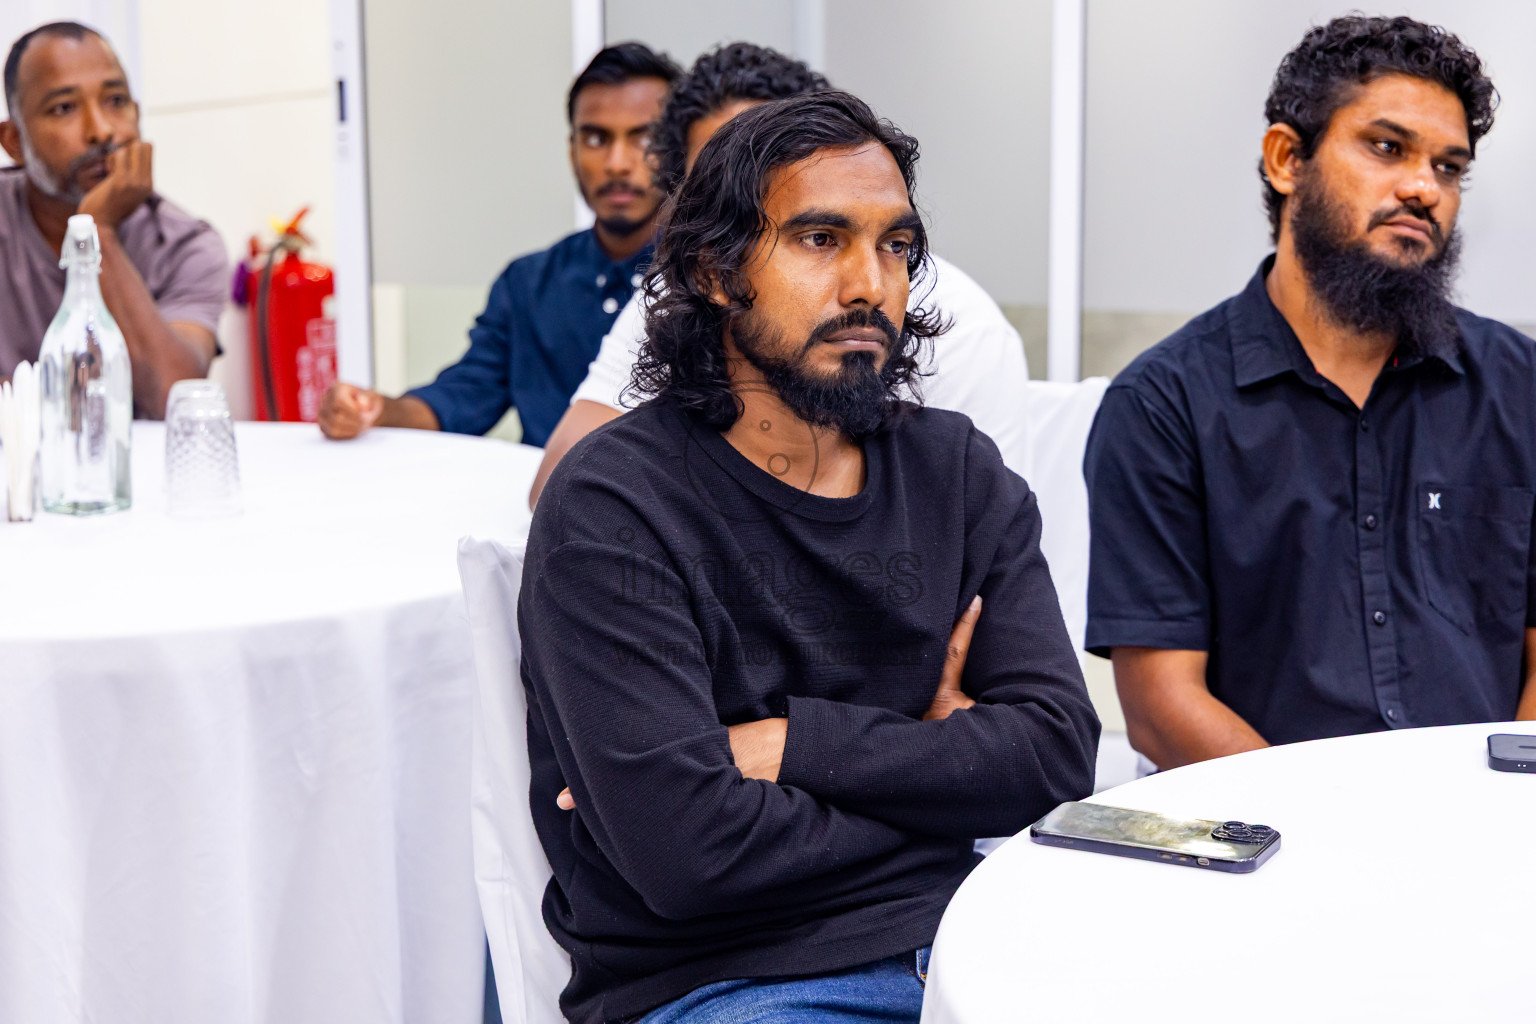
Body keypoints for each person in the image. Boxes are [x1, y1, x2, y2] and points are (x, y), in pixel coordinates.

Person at [521, 91, 1099, 1024]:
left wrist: (790, 746)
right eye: (821, 239)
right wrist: (939, 760)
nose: (872, 283)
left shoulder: (954, 470)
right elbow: (687, 856)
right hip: (731, 983)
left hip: (973, 938)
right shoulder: (613, 506)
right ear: (714, 270)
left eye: (897, 246)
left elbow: (1056, 752)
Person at [1084, 15, 1536, 772]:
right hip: (1266, 837)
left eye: (1449, 168)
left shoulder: (1519, 387)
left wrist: (1506, 806)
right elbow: (1163, 703)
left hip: (1487, 831)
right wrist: (1327, 836)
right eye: (1387, 148)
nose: (1424, 188)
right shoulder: (1163, 405)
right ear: (1287, 158)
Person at [529, 42, 1031, 506]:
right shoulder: (685, 287)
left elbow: (971, 556)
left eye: (774, 163)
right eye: (715, 178)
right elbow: (566, 482)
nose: (735, 207)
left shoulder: (962, 328)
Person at [318, 42, 680, 446]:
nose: (616, 162)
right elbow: (466, 395)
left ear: (679, 149)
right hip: (542, 506)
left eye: (643, 138)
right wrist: (378, 410)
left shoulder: (704, 282)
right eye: (596, 138)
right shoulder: (528, 283)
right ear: (571, 149)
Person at [0, 21, 227, 418]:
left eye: (116, 101)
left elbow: (172, 399)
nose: (102, 130)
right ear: (15, 142)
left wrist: (96, 229)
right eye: (64, 108)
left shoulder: (185, 245)